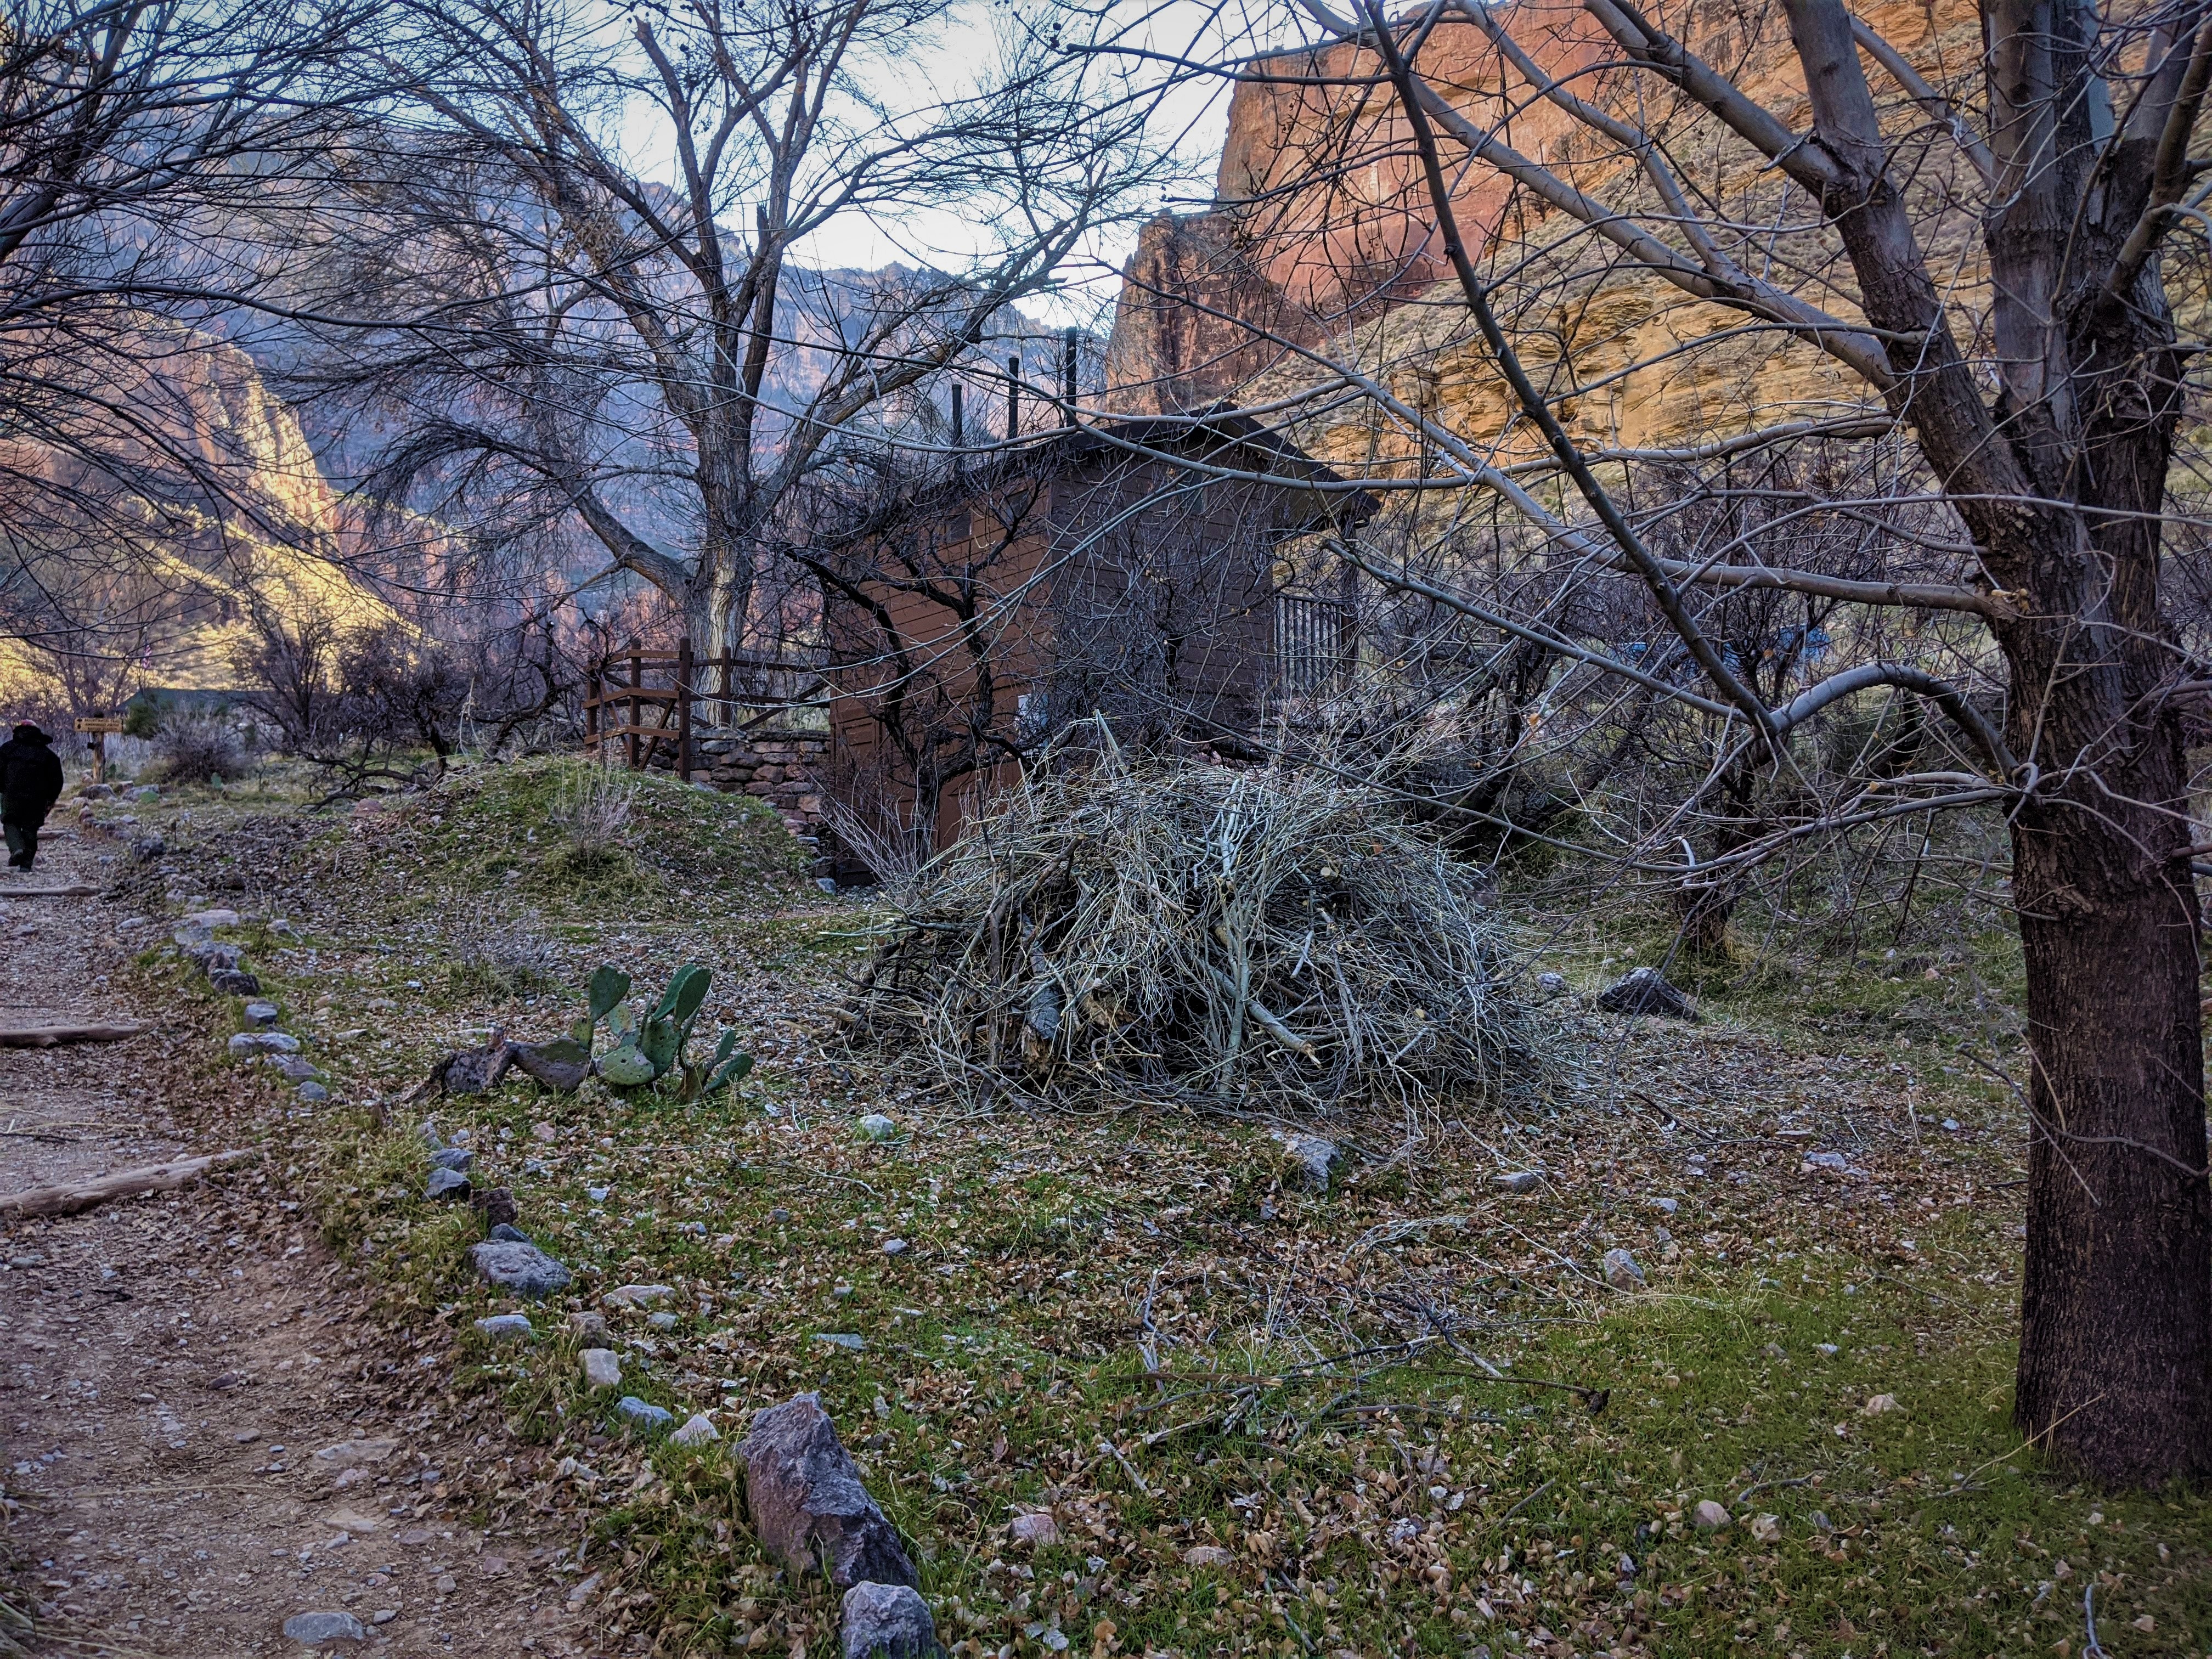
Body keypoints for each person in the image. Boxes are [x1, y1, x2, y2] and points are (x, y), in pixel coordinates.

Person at [1, 723, 65, 872]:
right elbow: (57, 781)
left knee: (10, 822)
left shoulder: (7, 750)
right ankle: (26, 865)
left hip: (12, 795)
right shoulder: (48, 755)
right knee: (31, 828)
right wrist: (51, 799)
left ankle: (17, 848)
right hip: (37, 798)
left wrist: (3, 789)